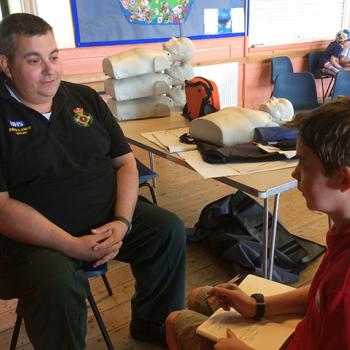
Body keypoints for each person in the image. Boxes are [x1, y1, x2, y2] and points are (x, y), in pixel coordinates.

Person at [0, 13, 186, 350]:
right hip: (37, 241)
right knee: (56, 282)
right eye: (34, 60)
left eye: (54, 56)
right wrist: (71, 245)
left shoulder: (83, 98)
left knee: (167, 231)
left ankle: (153, 325)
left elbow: (126, 163)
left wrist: (122, 221)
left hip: (106, 219)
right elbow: (2, 207)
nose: (50, 69)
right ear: (6, 65)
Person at [166, 98, 350, 350]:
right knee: (199, 297)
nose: (295, 173)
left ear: (344, 178)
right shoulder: (342, 228)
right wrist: (257, 306)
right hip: (306, 333)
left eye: (304, 163)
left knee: (175, 321)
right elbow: (319, 293)